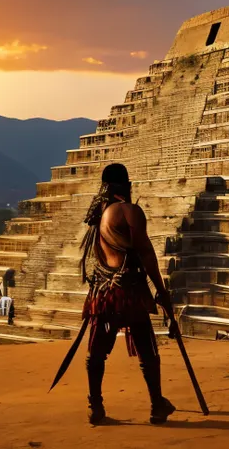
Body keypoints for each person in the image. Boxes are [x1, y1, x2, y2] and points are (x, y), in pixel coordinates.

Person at [80, 163, 177, 425]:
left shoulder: (99, 216)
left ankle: (95, 407)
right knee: (147, 351)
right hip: (131, 291)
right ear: (126, 185)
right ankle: (157, 404)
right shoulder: (129, 211)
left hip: (103, 291)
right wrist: (160, 289)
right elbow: (145, 252)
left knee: (97, 352)